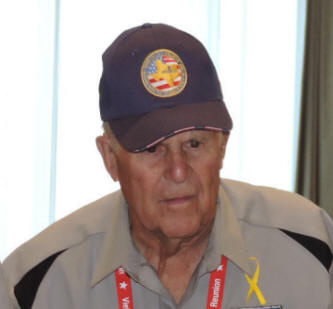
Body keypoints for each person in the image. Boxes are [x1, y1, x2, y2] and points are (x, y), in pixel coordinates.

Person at [3, 23, 333, 309]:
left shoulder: (313, 248)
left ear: (221, 146)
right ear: (109, 158)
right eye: (151, 149)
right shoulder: (35, 284)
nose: (178, 171)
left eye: (194, 144)